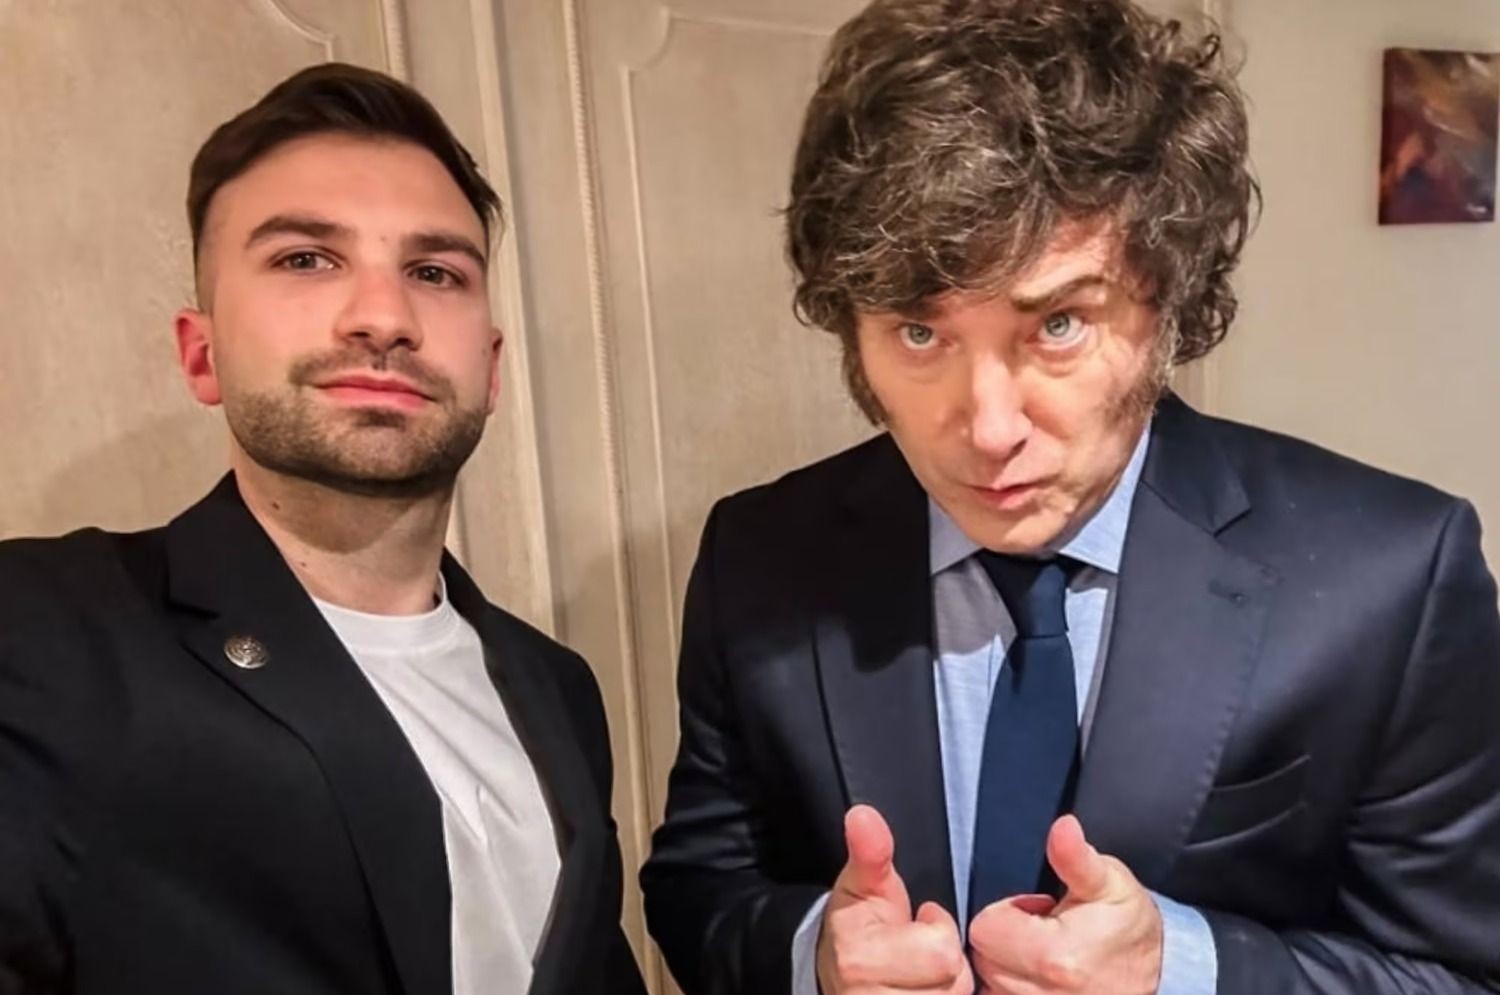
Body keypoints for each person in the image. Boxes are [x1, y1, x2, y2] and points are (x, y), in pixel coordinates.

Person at [640, 1, 1500, 993]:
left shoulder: (1393, 579)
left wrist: (1183, 970)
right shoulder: (759, 555)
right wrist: (812, 955)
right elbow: (699, 887)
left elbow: (1460, 971)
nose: (989, 425)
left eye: (1057, 325)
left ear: (1167, 299)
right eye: (920, 333)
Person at [0, 63, 645, 995]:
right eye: (305, 258)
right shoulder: (43, 634)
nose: (384, 317)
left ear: (491, 367)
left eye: (434, 272)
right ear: (202, 351)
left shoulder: (558, 685)